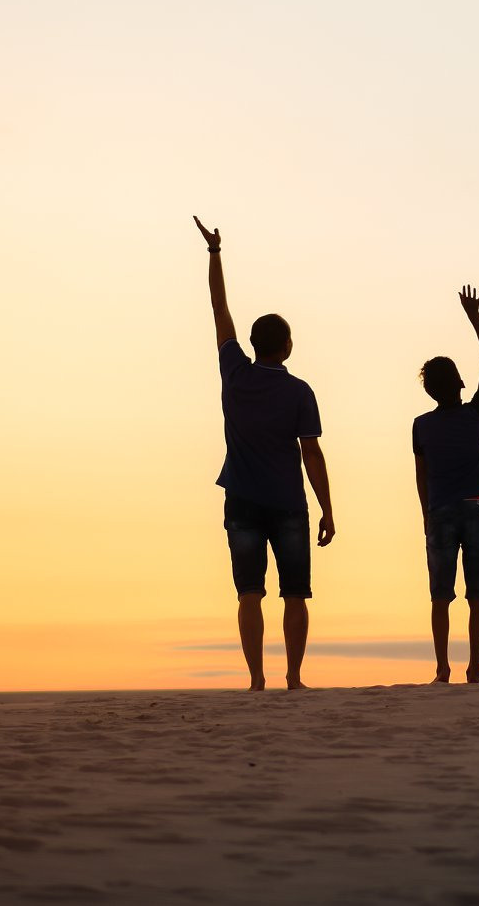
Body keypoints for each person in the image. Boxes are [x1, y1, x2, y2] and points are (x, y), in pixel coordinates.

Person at [194, 216, 335, 691]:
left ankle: (257, 679)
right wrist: (328, 508)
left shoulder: (235, 373)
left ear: (253, 345)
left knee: (249, 593)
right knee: (295, 594)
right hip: (289, 504)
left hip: (242, 501)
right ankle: (293, 677)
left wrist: (215, 254)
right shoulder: (299, 391)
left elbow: (219, 307)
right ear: (287, 346)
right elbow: (312, 455)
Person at [412, 285, 479, 683]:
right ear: (460, 383)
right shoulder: (475, 413)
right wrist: (474, 316)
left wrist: (425, 515)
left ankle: (443, 668)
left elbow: (421, 476)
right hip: (476, 506)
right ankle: (474, 668)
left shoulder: (421, 425)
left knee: (440, 596)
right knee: (477, 596)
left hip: (441, 510)